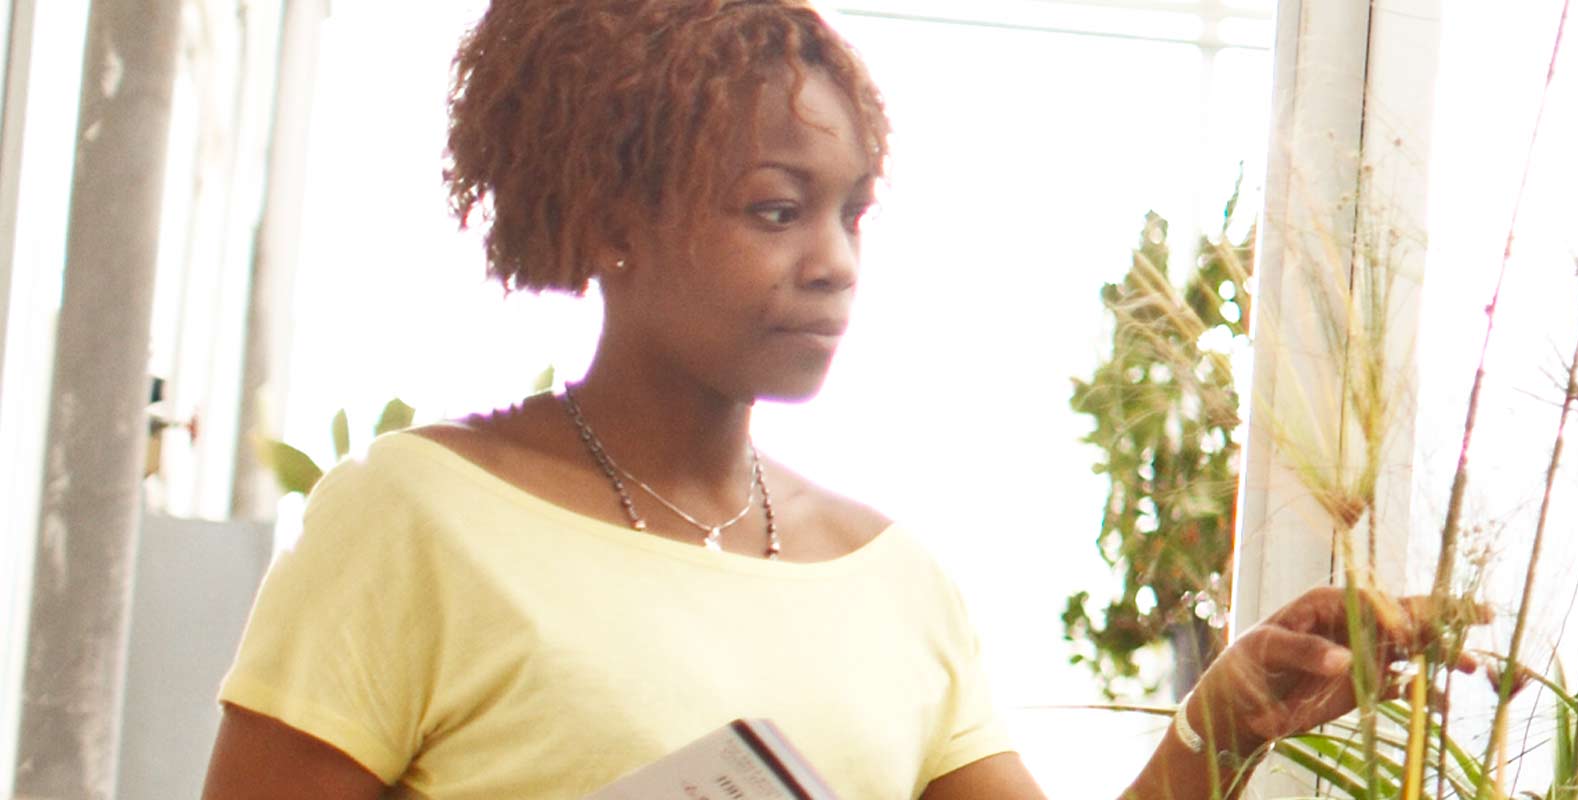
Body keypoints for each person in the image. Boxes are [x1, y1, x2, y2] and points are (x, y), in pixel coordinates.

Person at [200, 2, 1471, 797]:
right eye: (774, 208)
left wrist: (1223, 723)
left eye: (851, 210)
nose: (835, 260)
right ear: (609, 218)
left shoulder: (890, 579)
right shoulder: (415, 518)